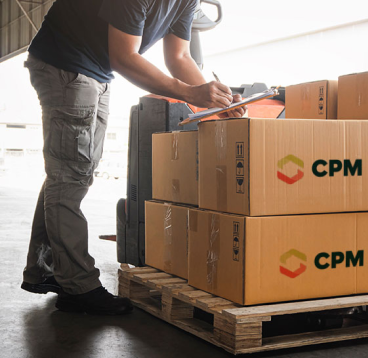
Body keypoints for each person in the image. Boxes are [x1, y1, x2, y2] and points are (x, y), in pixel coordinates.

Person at [20, 0, 246, 315]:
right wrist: (189, 93)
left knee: (69, 172)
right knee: (70, 175)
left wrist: (217, 101)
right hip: (65, 63)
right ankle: (77, 286)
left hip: (96, 70)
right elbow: (124, 56)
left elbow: (179, 56)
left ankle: (44, 268)